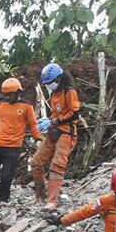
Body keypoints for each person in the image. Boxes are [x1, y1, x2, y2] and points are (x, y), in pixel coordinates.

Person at [0, 77, 42, 205]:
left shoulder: (27, 107)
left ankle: (3, 200)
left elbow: (33, 125)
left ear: (17, 92)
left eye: (10, 94)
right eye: (6, 95)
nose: (8, 97)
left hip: (13, 147)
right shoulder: (1, 105)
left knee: (7, 175)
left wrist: (38, 139)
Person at [30, 63, 81, 209]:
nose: (47, 86)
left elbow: (74, 114)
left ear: (58, 79)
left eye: (49, 83)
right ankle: (40, 195)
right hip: (54, 131)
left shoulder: (69, 92)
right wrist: (48, 122)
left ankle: (52, 200)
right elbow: (56, 113)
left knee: (57, 165)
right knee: (36, 162)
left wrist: (53, 121)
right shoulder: (54, 94)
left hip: (66, 133)